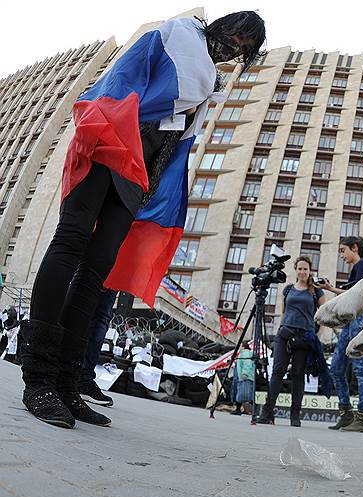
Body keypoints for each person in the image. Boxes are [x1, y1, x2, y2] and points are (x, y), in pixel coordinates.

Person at [17, 11, 267, 429]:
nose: (234, 48)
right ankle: (38, 377)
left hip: (138, 176)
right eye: (234, 36)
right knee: (70, 242)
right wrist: (100, 124)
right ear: (219, 27)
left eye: (244, 47)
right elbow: (122, 78)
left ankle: (65, 382)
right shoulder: (173, 37)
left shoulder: (208, 86)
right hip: (109, 141)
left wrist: (155, 192)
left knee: (97, 272)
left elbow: (174, 144)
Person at [258, 256, 325, 427]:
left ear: (310, 271)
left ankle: (295, 416)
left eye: (305, 269)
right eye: (300, 268)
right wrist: (279, 331)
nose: (302, 272)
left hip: (304, 337)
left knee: (298, 375)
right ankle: (267, 413)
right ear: (295, 270)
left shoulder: (316, 291)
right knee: (277, 372)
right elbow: (283, 313)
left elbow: (323, 316)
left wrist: (318, 337)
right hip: (285, 334)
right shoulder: (288, 290)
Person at [321, 236, 363, 432]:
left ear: (355, 248)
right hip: (353, 323)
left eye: (343, 250)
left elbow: (357, 296)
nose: (342, 255)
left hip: (361, 322)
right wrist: (331, 289)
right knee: (336, 368)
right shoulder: (360, 268)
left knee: (361, 369)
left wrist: (330, 289)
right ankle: (346, 414)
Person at [230, 342, 255, 415]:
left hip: (245, 377)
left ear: (243, 347)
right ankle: (240, 409)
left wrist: (245, 373)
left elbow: (247, 363)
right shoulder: (244, 353)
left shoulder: (245, 353)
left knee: (244, 394)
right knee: (243, 393)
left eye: (240, 346)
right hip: (243, 377)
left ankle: (243, 410)